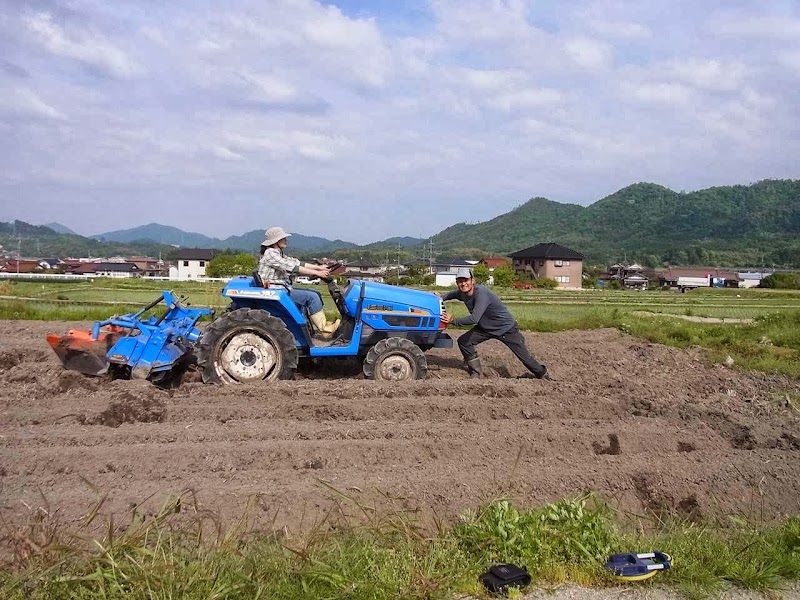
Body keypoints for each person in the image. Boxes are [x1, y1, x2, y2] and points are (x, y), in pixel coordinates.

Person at [439, 268, 550, 380]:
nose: (463, 284)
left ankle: (543, 375)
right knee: (464, 341)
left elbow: (474, 319)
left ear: (472, 280)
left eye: (466, 280)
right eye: (460, 281)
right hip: (485, 328)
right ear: (457, 283)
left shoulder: (481, 293)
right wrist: (440, 297)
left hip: (505, 328)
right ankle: (475, 373)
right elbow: (452, 294)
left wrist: (453, 321)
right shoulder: (462, 293)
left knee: (525, 357)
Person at [257, 226, 340, 338]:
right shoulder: (270, 253)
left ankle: (318, 326)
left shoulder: (277, 253)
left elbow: (296, 263)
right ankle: (325, 330)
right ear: (276, 241)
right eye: (283, 238)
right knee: (312, 297)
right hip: (276, 290)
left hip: (281, 288)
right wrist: (318, 273)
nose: (286, 240)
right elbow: (292, 267)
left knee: (315, 293)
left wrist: (319, 268)